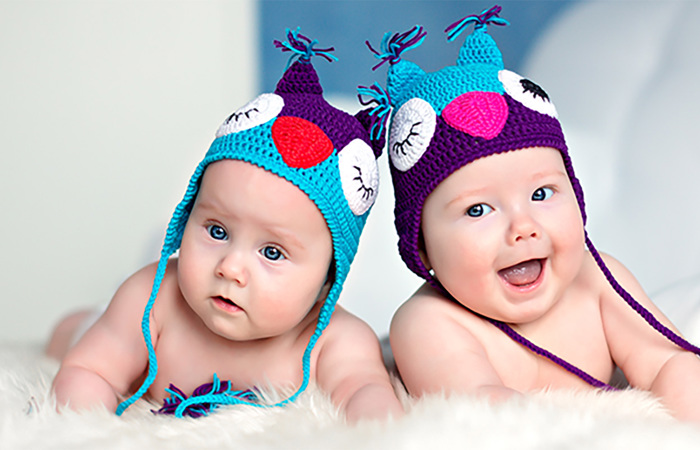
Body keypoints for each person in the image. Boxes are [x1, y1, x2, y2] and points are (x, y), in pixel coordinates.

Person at [47, 29, 403, 423]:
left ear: (327, 280)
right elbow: (90, 371)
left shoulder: (334, 340)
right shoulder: (151, 301)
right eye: (217, 231)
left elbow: (366, 391)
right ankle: (74, 323)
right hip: (115, 324)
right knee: (76, 334)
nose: (230, 268)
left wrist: (374, 421)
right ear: (188, 216)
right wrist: (86, 417)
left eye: (272, 252)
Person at [368, 6, 700, 422]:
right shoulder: (428, 323)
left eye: (542, 193)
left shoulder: (596, 279)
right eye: (478, 209)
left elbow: (666, 360)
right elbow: (483, 414)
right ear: (424, 249)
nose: (522, 228)